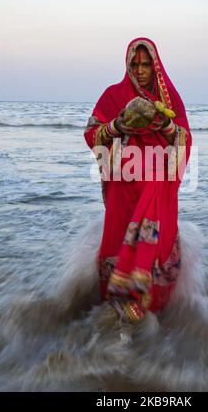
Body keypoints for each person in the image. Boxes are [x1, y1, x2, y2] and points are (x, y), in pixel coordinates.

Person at [84, 37, 192, 324]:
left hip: (157, 182)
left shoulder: (169, 97)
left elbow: (185, 138)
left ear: (155, 65)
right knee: (118, 234)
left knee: (158, 229)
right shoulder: (113, 96)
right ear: (127, 64)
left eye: (146, 64)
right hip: (124, 180)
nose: (141, 70)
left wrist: (167, 125)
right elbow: (91, 134)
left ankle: (151, 306)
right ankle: (115, 305)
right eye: (135, 64)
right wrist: (117, 125)